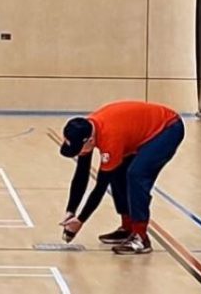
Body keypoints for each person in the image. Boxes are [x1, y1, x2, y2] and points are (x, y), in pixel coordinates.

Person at [58, 100, 184, 255]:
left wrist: (80, 221)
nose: (78, 153)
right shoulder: (86, 129)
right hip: (139, 130)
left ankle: (140, 237)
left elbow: (100, 187)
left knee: (136, 175)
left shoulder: (110, 137)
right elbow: (81, 175)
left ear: (89, 141)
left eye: (78, 149)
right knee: (117, 172)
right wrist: (71, 211)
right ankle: (128, 227)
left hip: (167, 129)